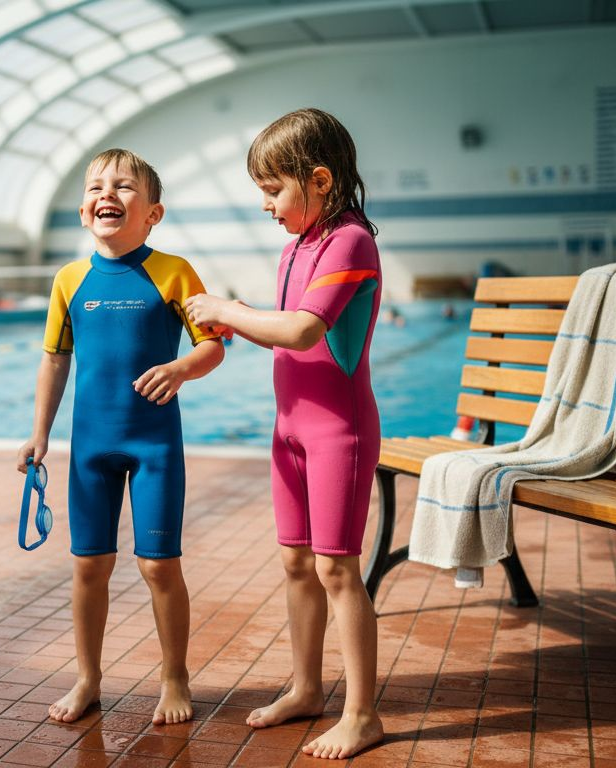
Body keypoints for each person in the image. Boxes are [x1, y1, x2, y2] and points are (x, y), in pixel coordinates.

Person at [183, 108, 385, 760]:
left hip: (338, 434)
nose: (266, 205)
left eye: (274, 190)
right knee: (296, 563)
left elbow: (302, 330)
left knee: (336, 569)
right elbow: (280, 331)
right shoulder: (295, 247)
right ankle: (306, 687)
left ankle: (362, 714)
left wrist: (231, 311)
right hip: (289, 432)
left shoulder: (350, 240)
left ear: (319, 180)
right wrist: (227, 327)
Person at [17, 148, 225, 727]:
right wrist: (40, 437)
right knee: (89, 566)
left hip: (155, 444)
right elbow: (54, 360)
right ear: (85, 212)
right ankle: (87, 677)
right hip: (91, 449)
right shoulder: (69, 280)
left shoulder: (173, 271)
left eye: (125, 186)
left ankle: (174, 675)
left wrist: (182, 369)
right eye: (96, 187)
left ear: (152, 213)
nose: (108, 194)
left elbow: (212, 345)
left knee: (159, 567)